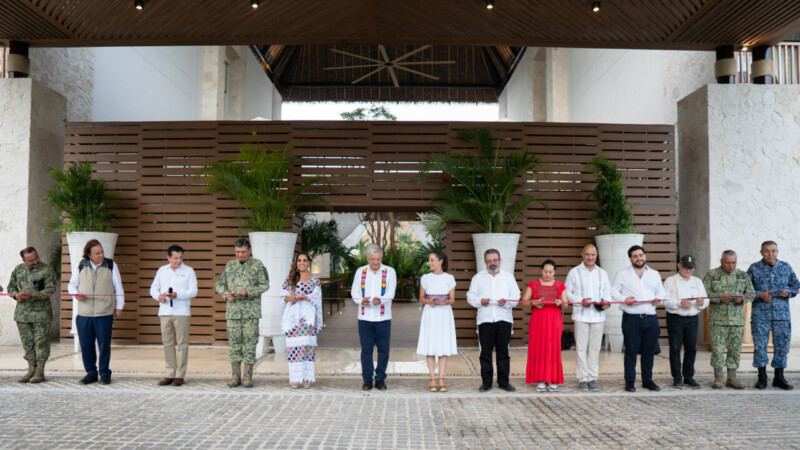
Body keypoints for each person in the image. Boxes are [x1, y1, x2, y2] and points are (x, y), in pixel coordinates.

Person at [67, 239, 125, 385]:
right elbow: (71, 285)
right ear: (89, 255)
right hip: (84, 314)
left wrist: (119, 306)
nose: (101, 255)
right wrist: (76, 293)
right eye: (97, 253)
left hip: (104, 313)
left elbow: (118, 288)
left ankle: (105, 373)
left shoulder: (111, 265)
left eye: (102, 252)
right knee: (86, 345)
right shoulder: (81, 265)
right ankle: (91, 373)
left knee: (104, 345)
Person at [215, 238, 269, 388]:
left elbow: (265, 285)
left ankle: (248, 377)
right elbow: (219, 284)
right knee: (234, 345)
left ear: (249, 251)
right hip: (233, 312)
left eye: (243, 252)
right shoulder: (230, 265)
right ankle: (235, 376)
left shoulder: (257, 265)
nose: (240, 255)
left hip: (251, 313)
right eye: (237, 252)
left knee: (250, 345)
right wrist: (226, 294)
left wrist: (249, 292)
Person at [747, 240, 800, 390]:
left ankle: (779, 377)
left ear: (777, 252)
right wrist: (759, 295)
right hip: (760, 315)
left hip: (782, 315)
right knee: (760, 347)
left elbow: (796, 286)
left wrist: (788, 293)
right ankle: (762, 378)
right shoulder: (754, 268)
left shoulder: (785, 267)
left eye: (773, 251)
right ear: (761, 252)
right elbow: (745, 291)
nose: (770, 254)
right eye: (767, 251)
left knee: (782, 346)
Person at [611, 245, 665, 392]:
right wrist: (624, 299)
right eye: (635, 256)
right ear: (630, 259)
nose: (638, 258)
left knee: (649, 352)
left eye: (641, 255)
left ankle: (647, 381)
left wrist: (659, 298)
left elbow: (661, 290)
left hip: (651, 318)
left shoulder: (654, 273)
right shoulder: (622, 273)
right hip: (631, 319)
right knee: (631, 351)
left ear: (645, 256)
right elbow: (613, 291)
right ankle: (630, 382)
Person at [467, 249, 521, 392]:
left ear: (500, 260)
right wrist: (480, 301)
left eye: (495, 260)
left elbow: (516, 296)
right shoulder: (478, 278)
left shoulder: (508, 277)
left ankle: (504, 382)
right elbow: (470, 296)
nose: (492, 263)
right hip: (485, 319)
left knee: (503, 352)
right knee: (485, 352)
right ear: (485, 262)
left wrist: (507, 302)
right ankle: (486, 383)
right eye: (489, 261)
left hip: (504, 318)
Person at [703, 250, 755, 389]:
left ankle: (732, 378)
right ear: (721, 261)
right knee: (718, 351)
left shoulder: (742, 275)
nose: (731, 266)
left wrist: (742, 299)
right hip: (717, 321)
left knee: (735, 350)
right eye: (728, 263)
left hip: (736, 321)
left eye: (734, 263)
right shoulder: (712, 275)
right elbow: (704, 293)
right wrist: (719, 297)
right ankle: (718, 378)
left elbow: (751, 293)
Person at [149, 244, 197, 387]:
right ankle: (170, 373)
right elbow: (153, 288)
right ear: (168, 257)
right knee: (168, 343)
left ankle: (180, 375)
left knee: (182, 344)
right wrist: (158, 297)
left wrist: (178, 295)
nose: (178, 261)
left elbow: (193, 291)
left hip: (182, 312)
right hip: (165, 312)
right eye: (175, 258)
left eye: (181, 257)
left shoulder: (189, 271)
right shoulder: (161, 271)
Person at [6, 247, 57, 383]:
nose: (35, 261)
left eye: (36, 257)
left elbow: (51, 289)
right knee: (27, 343)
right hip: (22, 315)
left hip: (41, 314)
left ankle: (40, 371)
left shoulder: (46, 270)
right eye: (31, 260)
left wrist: (32, 296)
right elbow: (10, 288)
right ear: (24, 260)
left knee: (41, 342)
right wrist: (16, 296)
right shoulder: (19, 270)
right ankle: (31, 370)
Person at [565, 243, 611, 392]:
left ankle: (592, 378)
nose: (590, 257)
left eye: (593, 254)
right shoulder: (574, 272)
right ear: (582, 254)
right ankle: (582, 378)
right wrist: (580, 300)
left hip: (598, 316)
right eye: (587, 254)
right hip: (581, 315)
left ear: (596, 255)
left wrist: (607, 303)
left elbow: (607, 293)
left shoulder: (602, 273)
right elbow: (567, 293)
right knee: (580, 348)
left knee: (595, 349)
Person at [350, 244, 397, 391]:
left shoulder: (389, 272)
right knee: (366, 350)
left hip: (383, 318)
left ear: (381, 258)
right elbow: (354, 292)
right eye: (372, 259)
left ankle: (381, 378)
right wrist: (361, 300)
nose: (375, 262)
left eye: (378, 259)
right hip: (365, 318)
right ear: (367, 258)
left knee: (383, 349)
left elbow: (391, 293)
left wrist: (381, 300)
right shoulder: (360, 272)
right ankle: (367, 380)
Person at [662, 255, 708, 389]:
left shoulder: (698, 281)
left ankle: (688, 377)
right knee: (675, 349)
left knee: (691, 349)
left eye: (691, 268)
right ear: (679, 266)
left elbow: (706, 300)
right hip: (676, 318)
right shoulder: (670, 281)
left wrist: (702, 302)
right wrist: (679, 303)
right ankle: (677, 378)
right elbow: (664, 300)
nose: (688, 270)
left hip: (692, 319)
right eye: (685, 267)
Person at [279, 252, 323, 389]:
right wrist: (291, 298)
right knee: (294, 347)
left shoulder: (315, 279)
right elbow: (282, 297)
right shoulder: (290, 279)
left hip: (308, 317)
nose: (302, 262)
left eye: (304, 260)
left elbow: (317, 297)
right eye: (299, 260)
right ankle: (295, 378)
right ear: (296, 262)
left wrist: (306, 297)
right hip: (293, 318)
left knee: (307, 347)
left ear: (309, 262)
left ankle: (306, 377)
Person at [416, 251, 458, 392]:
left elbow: (452, 299)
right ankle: (432, 378)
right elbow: (421, 298)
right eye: (429, 260)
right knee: (430, 345)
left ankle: (441, 377)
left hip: (444, 314)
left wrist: (446, 301)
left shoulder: (449, 278)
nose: (430, 263)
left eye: (432, 260)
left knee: (442, 345)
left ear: (440, 261)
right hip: (430, 313)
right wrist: (429, 301)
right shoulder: (425, 278)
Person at [524, 259, 567, 392]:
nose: (547, 274)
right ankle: (541, 379)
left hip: (554, 321)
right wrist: (534, 302)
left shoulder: (561, 285)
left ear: (555, 272)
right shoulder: (533, 284)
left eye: (550, 272)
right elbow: (524, 301)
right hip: (538, 321)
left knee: (553, 348)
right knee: (539, 347)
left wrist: (561, 302)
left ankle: (552, 379)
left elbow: (566, 305)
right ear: (541, 271)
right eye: (545, 271)